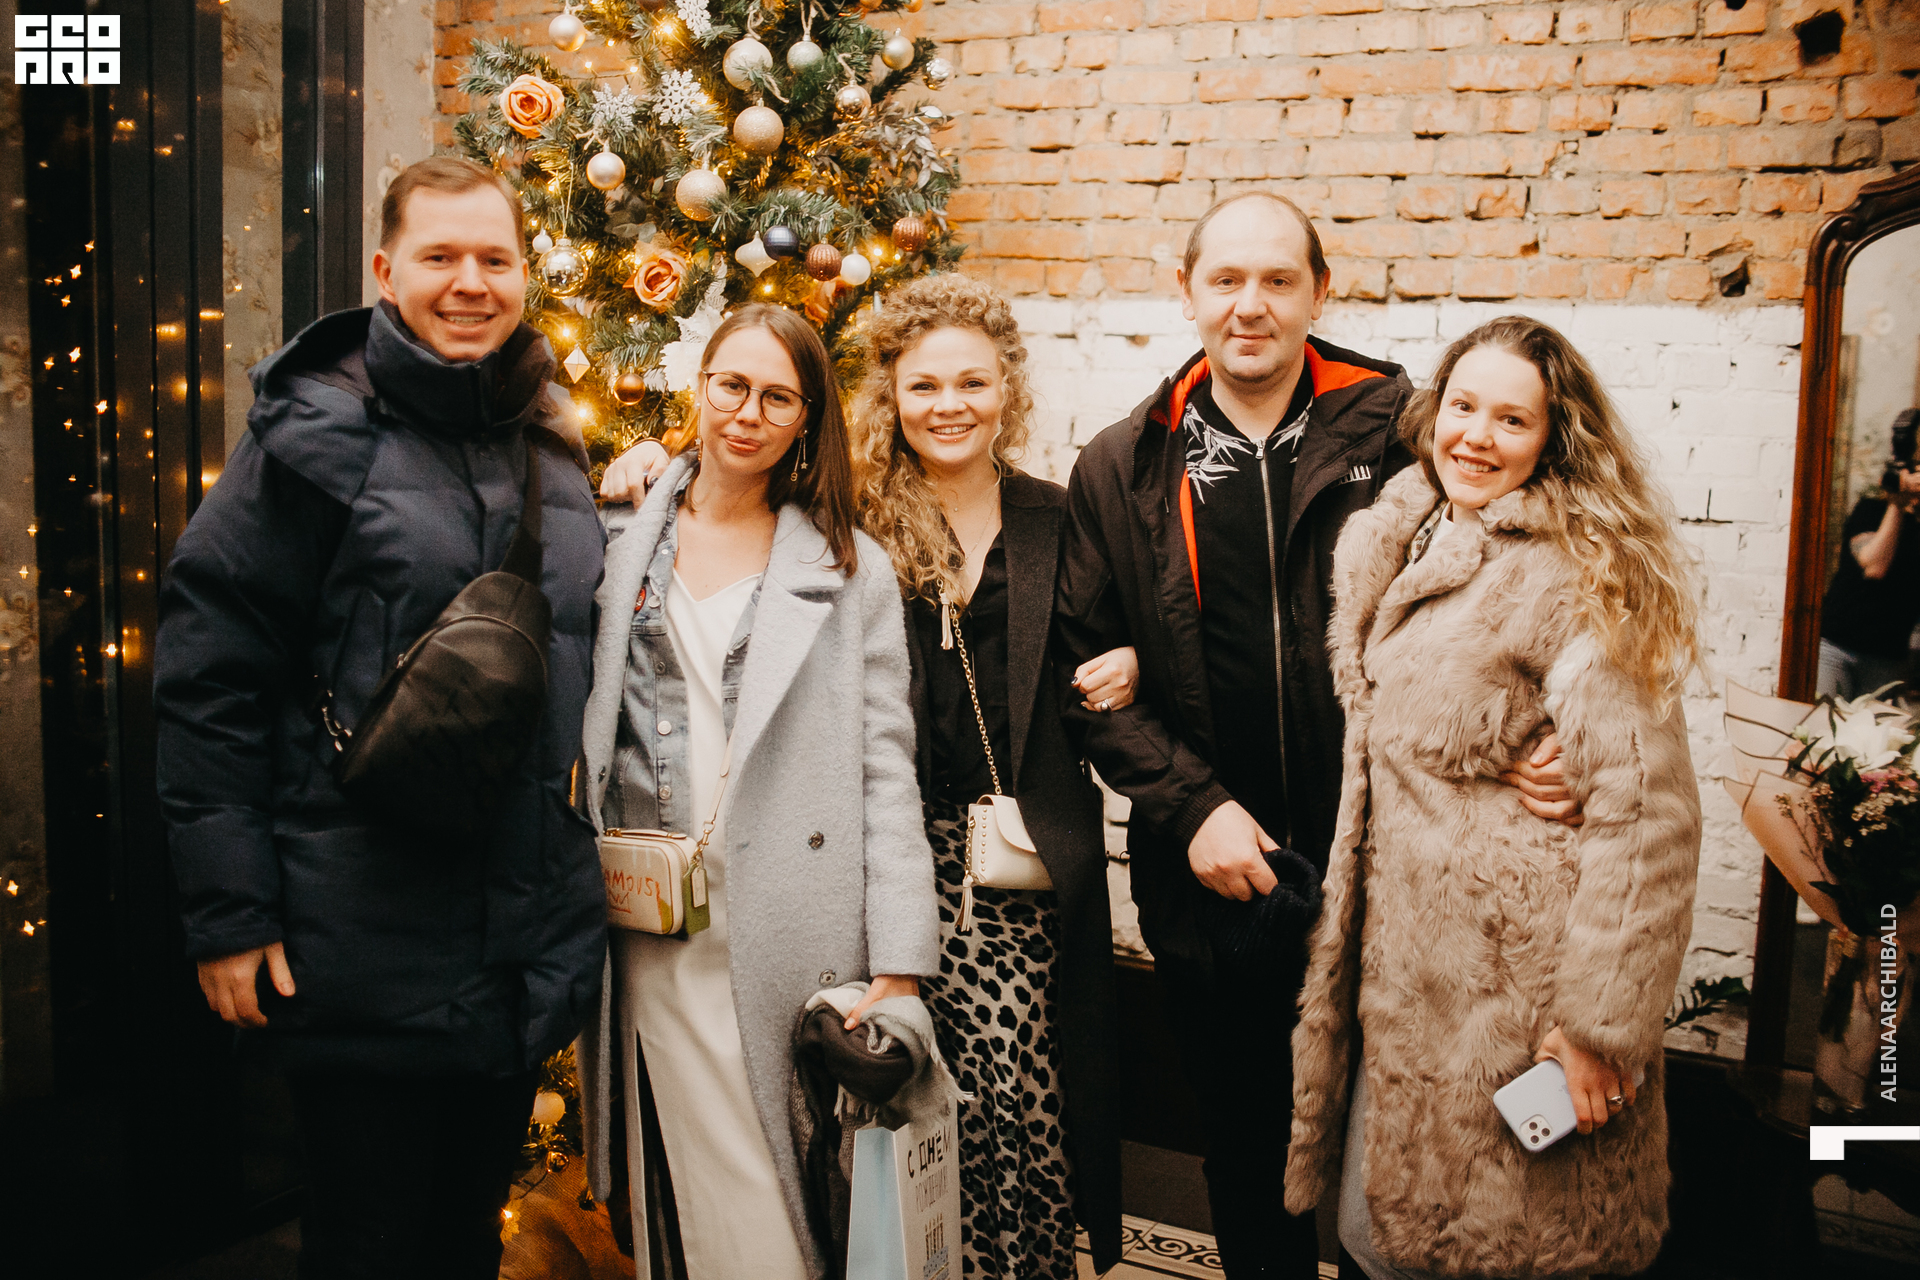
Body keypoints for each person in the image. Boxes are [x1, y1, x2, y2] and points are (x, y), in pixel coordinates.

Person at [1053, 192, 1580, 1278]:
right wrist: (1192, 809)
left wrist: (1569, 722)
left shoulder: (1401, 429)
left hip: (1399, 878)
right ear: (1187, 291)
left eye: (1278, 280)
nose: (1250, 305)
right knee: (1250, 1157)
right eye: (1226, 280)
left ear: (1320, 292)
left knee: (1412, 1167)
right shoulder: (1124, 464)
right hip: (1220, 885)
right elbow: (1087, 680)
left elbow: (1541, 553)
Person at [154, 156, 608, 1278]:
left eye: (495, 258)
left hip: (513, 949)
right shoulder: (311, 438)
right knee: (369, 1246)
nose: (471, 282)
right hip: (357, 942)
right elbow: (211, 676)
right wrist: (230, 914)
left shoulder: (553, 444)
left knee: (462, 1241)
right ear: (385, 270)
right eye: (440, 256)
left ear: (525, 273)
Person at [1285, 316, 1702, 1279]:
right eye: (1463, 406)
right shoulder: (1410, 531)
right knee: (1383, 1237)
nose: (1476, 436)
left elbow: (1650, 816)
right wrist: (1485, 756)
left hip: (1513, 995)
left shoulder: (1576, 571)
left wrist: (1598, 1032)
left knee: (1503, 1247)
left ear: (1554, 438)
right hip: (1408, 977)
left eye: (1512, 419)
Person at [575, 304, 939, 1279]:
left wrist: (901, 962)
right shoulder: (621, 535)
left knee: (778, 1191)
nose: (747, 413)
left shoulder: (850, 568)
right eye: (731, 385)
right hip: (652, 916)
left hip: (785, 914)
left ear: (808, 417)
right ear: (699, 386)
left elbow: (886, 771)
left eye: (778, 397)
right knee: (676, 1179)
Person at [847, 273, 1130, 1277]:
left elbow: (1111, 641)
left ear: (1007, 387)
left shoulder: (1056, 516)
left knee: (1017, 1089)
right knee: (910, 1093)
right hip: (886, 855)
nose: (950, 404)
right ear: (892, 394)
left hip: (1015, 860)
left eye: (972, 381)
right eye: (925, 385)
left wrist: (1129, 663)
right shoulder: (853, 518)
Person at [1819, 409, 1920, 700]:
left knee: (1875, 732)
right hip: (1836, 647)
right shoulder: (1870, 509)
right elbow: (1874, 565)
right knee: (1819, 724)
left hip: (1888, 659)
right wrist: (1898, 503)